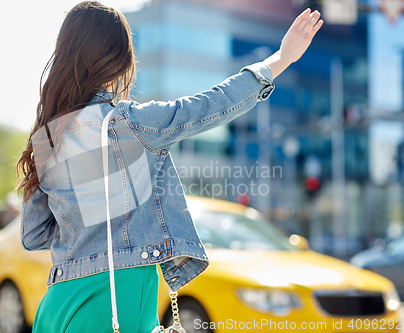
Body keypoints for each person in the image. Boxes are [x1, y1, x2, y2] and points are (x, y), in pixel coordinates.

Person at [16, 1, 323, 332]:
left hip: (58, 301)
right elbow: (210, 104)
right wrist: (281, 58)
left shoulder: (47, 138)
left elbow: (34, 236)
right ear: (117, 58)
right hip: (118, 294)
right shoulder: (130, 123)